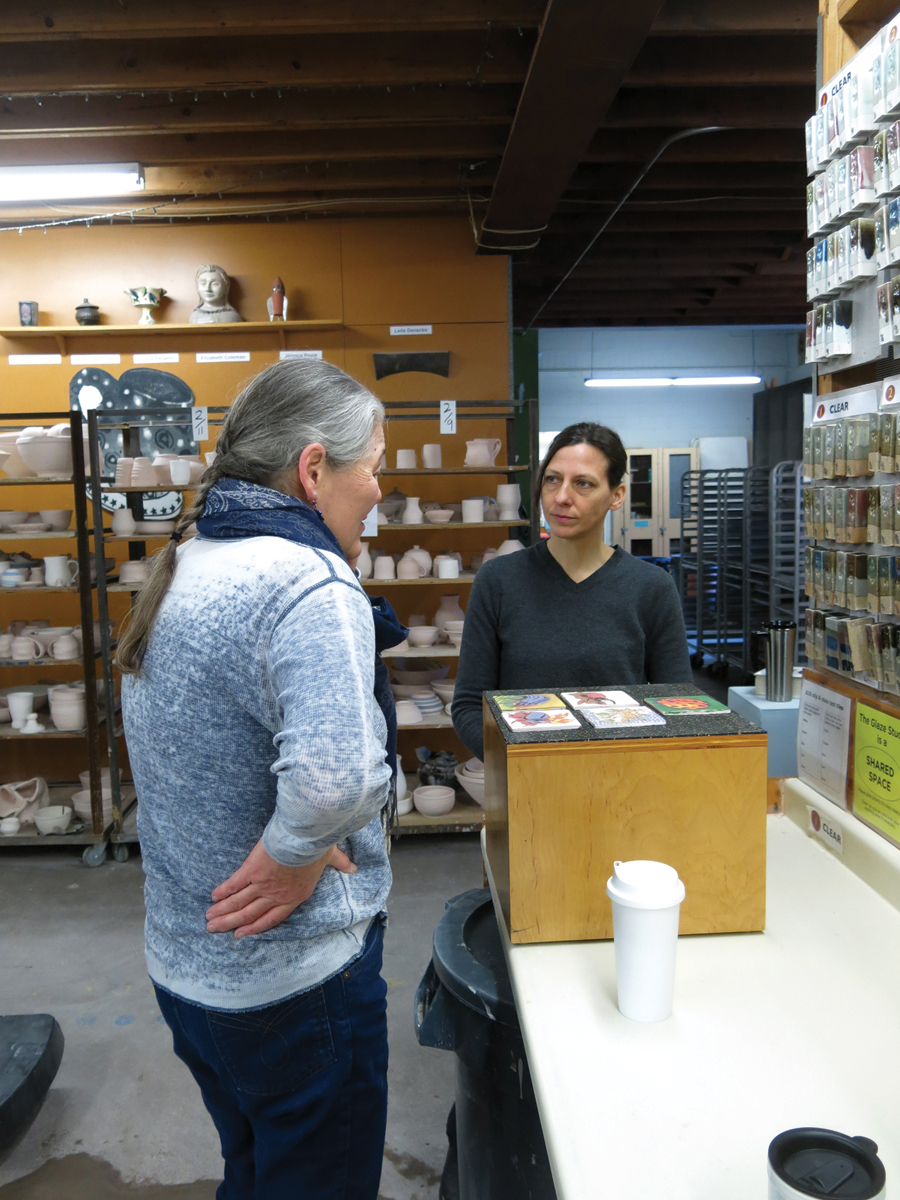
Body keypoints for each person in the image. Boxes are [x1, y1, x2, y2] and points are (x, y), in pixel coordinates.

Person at [117, 358, 406, 1200]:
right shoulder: (304, 583)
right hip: (293, 983)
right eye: (375, 467)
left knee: (253, 1174)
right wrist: (296, 851)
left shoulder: (189, 561)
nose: (380, 490)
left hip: (189, 971)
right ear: (315, 470)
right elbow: (336, 783)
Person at [452, 422, 692, 760]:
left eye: (583, 484)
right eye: (552, 479)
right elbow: (467, 706)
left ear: (616, 496)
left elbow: (678, 706)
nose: (561, 497)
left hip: (622, 786)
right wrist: (518, 766)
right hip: (526, 789)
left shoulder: (651, 587)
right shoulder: (498, 581)